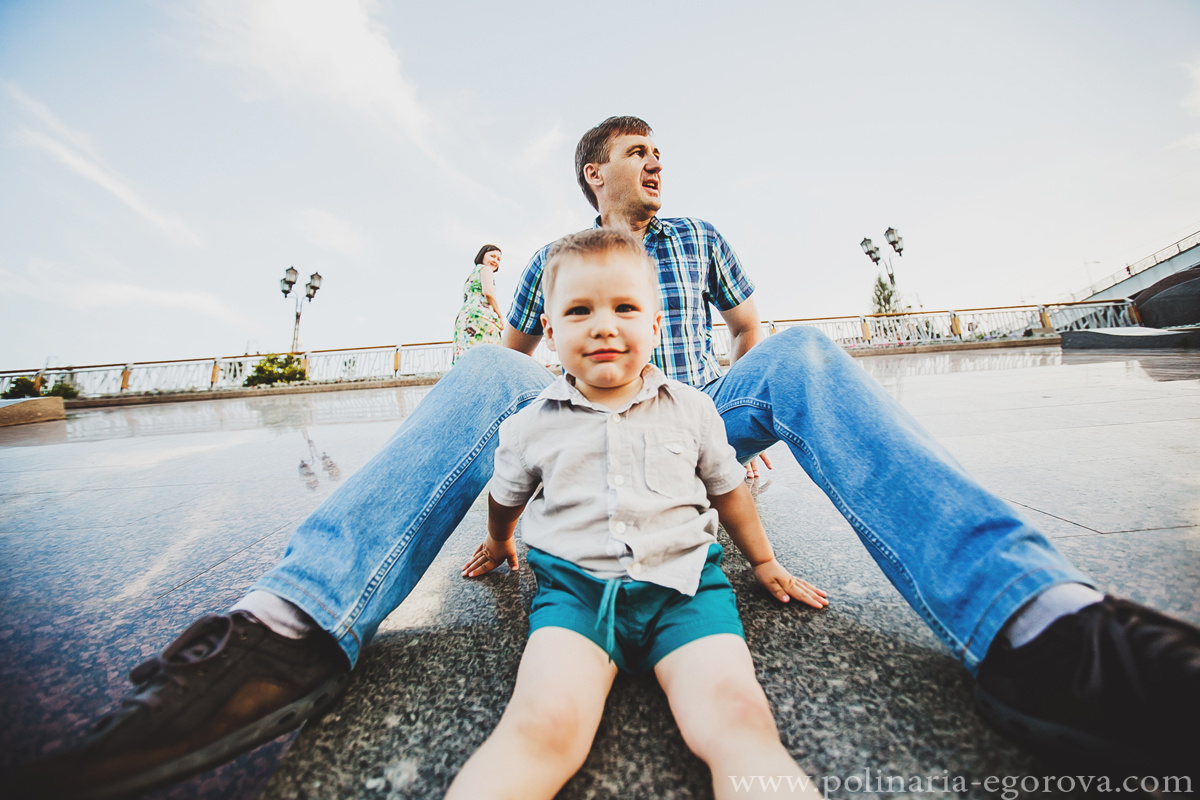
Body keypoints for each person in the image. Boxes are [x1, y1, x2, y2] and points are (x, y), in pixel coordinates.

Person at [15, 116, 1199, 800]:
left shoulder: (700, 237)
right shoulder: (550, 256)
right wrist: (518, 488)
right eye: (637, 152)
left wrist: (741, 434)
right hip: (572, 416)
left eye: (660, 151)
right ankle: (291, 623)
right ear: (595, 172)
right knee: (482, 365)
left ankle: (1040, 623)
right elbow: (519, 356)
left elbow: (748, 342)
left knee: (800, 349)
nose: (656, 165)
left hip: (698, 412)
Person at [446, 227, 827, 800]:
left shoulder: (693, 409)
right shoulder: (530, 425)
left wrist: (764, 560)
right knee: (540, 728)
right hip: (575, 596)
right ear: (550, 332)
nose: (604, 324)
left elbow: (728, 489)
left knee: (739, 720)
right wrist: (500, 540)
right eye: (579, 310)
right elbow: (507, 495)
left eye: (625, 307)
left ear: (653, 326)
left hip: (686, 590)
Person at [452, 244, 505, 364]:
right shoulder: (485, 269)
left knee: (467, 357)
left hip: (465, 318)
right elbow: (489, 293)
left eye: (498, 259)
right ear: (482, 256)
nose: (495, 261)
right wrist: (500, 315)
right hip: (481, 317)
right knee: (489, 357)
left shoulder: (472, 274)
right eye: (492, 256)